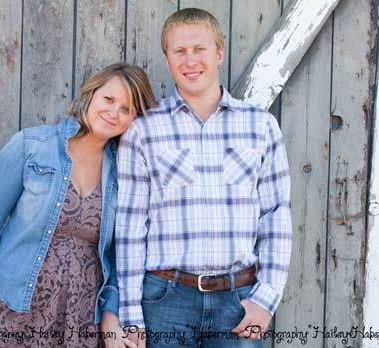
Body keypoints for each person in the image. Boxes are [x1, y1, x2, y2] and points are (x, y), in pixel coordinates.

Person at [0, 62, 157, 348]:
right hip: (18, 303)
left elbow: (123, 248)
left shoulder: (123, 169)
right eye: (109, 99)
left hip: (82, 314)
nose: (114, 112)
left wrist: (112, 309)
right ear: (91, 94)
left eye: (127, 109)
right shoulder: (31, 145)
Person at [115, 8, 292, 348]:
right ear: (168, 59)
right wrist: (131, 312)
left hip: (238, 302)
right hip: (164, 300)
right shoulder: (144, 130)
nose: (190, 60)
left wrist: (266, 300)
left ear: (219, 53)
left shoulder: (260, 126)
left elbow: (276, 215)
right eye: (179, 51)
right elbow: (131, 226)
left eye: (200, 49)